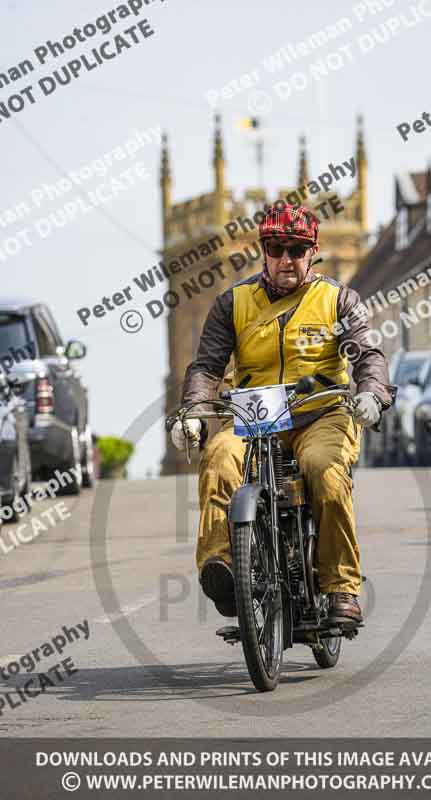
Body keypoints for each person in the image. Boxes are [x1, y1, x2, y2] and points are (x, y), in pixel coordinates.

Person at [171, 204, 396, 626]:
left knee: (323, 470)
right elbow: (206, 367)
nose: (286, 259)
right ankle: (223, 569)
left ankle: (341, 587)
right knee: (220, 458)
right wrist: (195, 414)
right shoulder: (232, 304)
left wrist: (372, 393)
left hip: (322, 415)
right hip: (256, 419)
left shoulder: (337, 300)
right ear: (264, 251)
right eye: (277, 249)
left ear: (313, 252)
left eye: (296, 249)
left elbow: (367, 354)